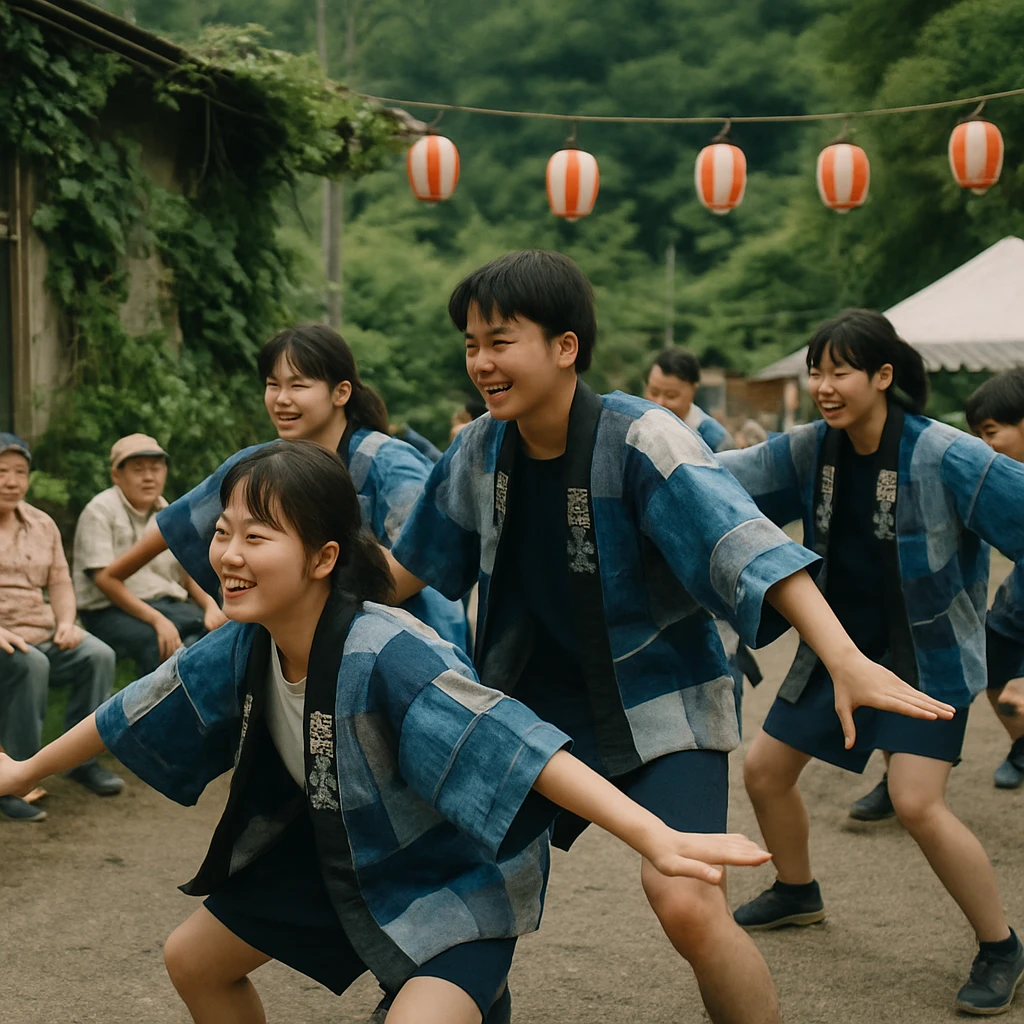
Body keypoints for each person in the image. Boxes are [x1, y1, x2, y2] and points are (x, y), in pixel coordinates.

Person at [0, 441, 772, 1024]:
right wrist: (21, 767)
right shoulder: (247, 639)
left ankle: (471, 985)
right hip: (345, 850)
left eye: (256, 537)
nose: (228, 556)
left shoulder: (390, 650)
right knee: (194, 959)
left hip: (450, 876)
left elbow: (517, 745)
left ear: (323, 557)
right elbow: (138, 705)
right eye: (224, 532)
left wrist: (656, 838)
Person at [380, 251, 953, 1024]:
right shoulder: (480, 449)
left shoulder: (644, 435)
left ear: (564, 346)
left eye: (500, 340)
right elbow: (409, 568)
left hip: (661, 701)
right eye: (472, 344)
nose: (481, 362)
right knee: (451, 888)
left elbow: (744, 547)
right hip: (526, 710)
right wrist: (296, 587)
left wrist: (845, 658)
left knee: (685, 899)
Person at [718, 310, 1024, 1015]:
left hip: (924, 657)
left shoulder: (948, 453)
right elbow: (722, 478)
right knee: (765, 772)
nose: (824, 385)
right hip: (839, 652)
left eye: (841, 370)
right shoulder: (810, 449)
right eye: (816, 371)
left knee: (918, 803)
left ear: (884, 376)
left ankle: (1001, 945)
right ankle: (797, 891)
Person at [96, 325, 468, 651]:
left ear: (341, 393)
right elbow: (178, 522)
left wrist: (311, 611)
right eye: (273, 385)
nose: (281, 399)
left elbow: (419, 559)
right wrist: (111, 576)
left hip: (409, 641)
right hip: (300, 643)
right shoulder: (266, 463)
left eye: (298, 385)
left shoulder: (388, 461)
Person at [850, 368, 1024, 817]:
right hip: (1007, 604)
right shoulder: (963, 469)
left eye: (991, 432)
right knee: (991, 668)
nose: (980, 444)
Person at [0, 433, 123, 822]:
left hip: (39, 628)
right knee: (31, 663)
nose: (11, 481)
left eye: (20, 472)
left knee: (97, 655)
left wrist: (67, 622)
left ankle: (80, 761)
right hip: (5, 638)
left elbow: (59, 584)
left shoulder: (42, 523)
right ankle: (13, 781)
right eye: (2, 471)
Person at [73, 434, 226, 676]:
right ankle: (153, 710)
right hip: (109, 609)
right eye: (138, 470)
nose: (148, 477)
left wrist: (210, 605)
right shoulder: (99, 511)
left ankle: (207, 707)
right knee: (160, 642)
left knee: (220, 631)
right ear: (116, 475)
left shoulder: (166, 511)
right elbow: (104, 581)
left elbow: (186, 572)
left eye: (155, 469)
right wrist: (157, 621)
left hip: (167, 604)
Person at [644, 348, 736, 452]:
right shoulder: (637, 428)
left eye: (671, 396)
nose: (659, 403)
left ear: (693, 390)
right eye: (653, 393)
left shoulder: (716, 441)